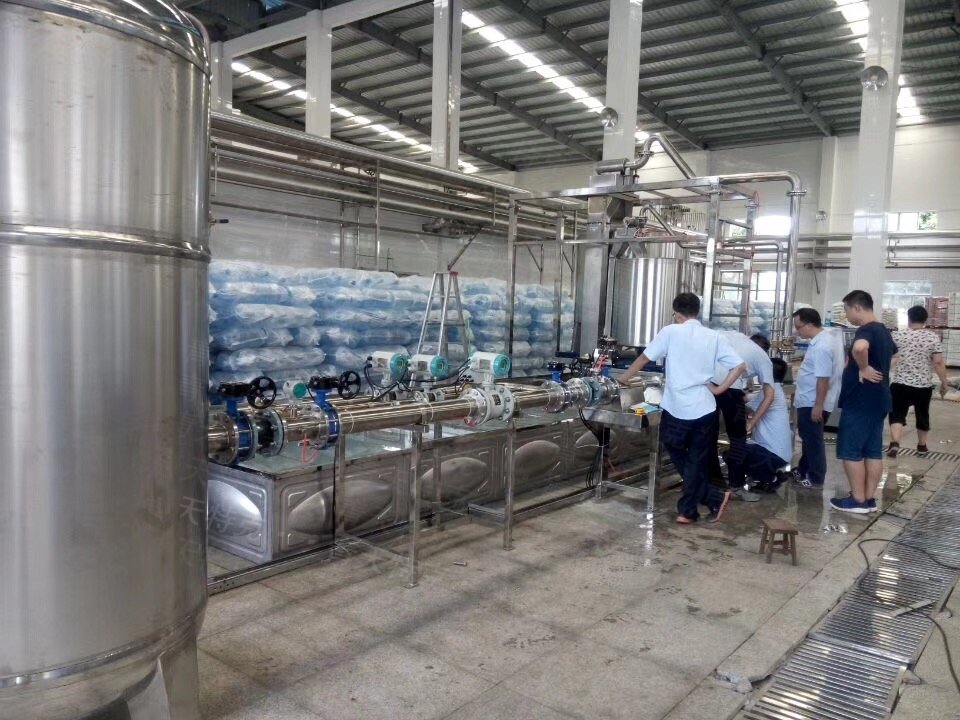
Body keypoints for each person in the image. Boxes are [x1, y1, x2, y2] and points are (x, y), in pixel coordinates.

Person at [618, 293, 747, 524]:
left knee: (675, 448)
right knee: (696, 459)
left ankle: (693, 508)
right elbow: (739, 366)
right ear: (697, 312)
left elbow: (644, 358)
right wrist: (719, 389)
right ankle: (705, 501)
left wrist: (623, 379)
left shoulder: (670, 332)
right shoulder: (713, 337)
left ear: (676, 313)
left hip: (676, 407)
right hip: (704, 408)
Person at [832, 290, 897, 514]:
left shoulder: (866, 329)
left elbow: (860, 348)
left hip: (861, 400)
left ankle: (857, 500)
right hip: (879, 399)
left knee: (851, 450)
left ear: (857, 307)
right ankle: (868, 499)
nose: (847, 315)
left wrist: (864, 367)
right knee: (872, 451)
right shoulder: (884, 331)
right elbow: (895, 355)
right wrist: (878, 368)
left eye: (847, 310)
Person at [708, 331, 776, 502]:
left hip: (707, 384)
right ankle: (736, 487)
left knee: (707, 436)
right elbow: (769, 396)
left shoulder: (734, 335)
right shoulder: (763, 358)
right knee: (738, 440)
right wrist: (751, 423)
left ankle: (712, 484)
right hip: (731, 388)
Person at [790, 308, 845, 487]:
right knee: (808, 438)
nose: (797, 331)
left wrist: (818, 405)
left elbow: (823, 378)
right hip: (811, 399)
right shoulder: (825, 339)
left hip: (812, 401)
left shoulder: (822, 346)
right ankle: (803, 469)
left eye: (798, 327)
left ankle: (816, 477)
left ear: (810, 324)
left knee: (813, 440)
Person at [887, 305, 949, 458]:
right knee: (922, 414)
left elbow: (889, 357)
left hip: (900, 383)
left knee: (896, 414)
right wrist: (944, 382)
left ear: (909, 318)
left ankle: (895, 442)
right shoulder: (932, 337)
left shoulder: (897, 335)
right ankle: (922, 446)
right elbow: (938, 362)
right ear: (925, 320)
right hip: (923, 385)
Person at [725, 358, 793, 492]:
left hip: (773, 454)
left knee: (734, 452)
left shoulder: (768, 392)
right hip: (777, 453)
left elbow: (742, 401)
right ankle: (769, 475)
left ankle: (770, 478)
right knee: (739, 450)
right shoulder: (775, 389)